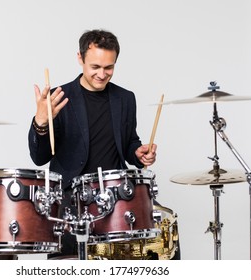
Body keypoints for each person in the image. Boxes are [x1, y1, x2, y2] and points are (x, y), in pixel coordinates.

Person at [28, 29, 157, 257]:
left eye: (109, 68)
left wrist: (138, 153)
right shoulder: (59, 97)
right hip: (70, 205)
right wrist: (40, 121)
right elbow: (39, 158)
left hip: (116, 202)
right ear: (80, 58)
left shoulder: (125, 98)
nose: (102, 74)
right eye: (95, 67)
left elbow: (129, 144)